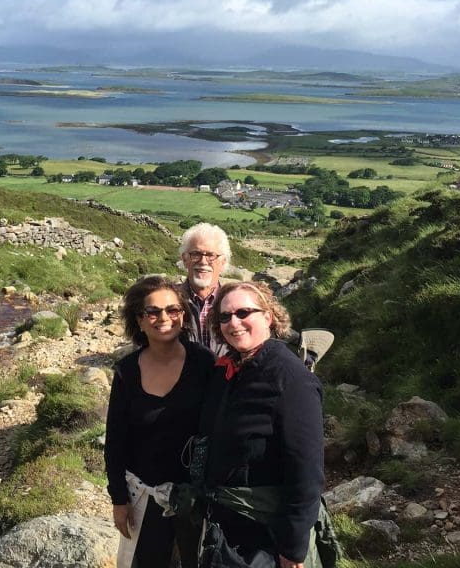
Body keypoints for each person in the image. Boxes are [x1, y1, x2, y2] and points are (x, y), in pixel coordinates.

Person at [198, 281, 325, 568]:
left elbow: (306, 470)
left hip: (267, 534)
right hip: (228, 526)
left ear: (268, 316)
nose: (234, 323)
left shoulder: (291, 380)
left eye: (244, 312)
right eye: (225, 317)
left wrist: (293, 549)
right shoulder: (227, 371)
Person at [105, 275, 215, 568]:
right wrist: (119, 500)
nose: (163, 318)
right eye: (152, 312)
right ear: (139, 321)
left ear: (183, 315)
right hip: (145, 495)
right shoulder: (126, 372)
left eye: (172, 310)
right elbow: (115, 441)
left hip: (195, 497)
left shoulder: (204, 364)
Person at [178, 223, 231, 357]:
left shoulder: (235, 303)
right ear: (185, 259)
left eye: (210, 255)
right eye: (195, 254)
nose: (203, 261)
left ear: (223, 261)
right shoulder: (170, 302)